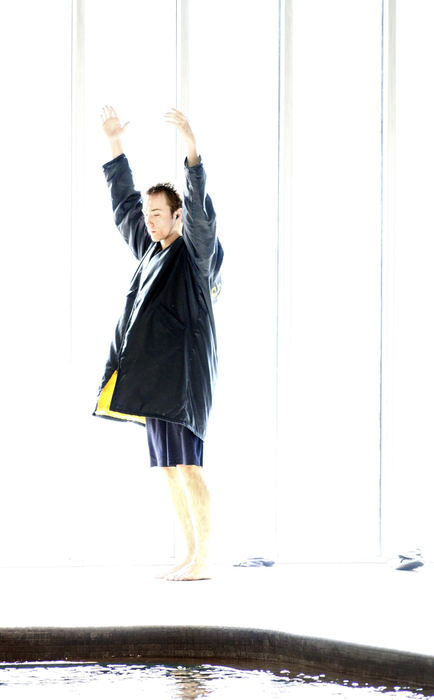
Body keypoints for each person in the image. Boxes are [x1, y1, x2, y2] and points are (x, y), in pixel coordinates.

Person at [92, 106, 223, 581]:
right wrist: (114, 146)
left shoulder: (193, 254)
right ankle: (190, 555)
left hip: (183, 377)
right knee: (170, 468)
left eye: (157, 214)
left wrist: (191, 150)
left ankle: (204, 559)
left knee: (189, 465)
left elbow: (199, 207)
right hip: (156, 379)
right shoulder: (149, 246)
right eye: (147, 215)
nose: (148, 221)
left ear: (177, 216)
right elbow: (123, 204)